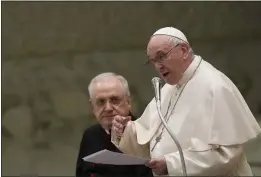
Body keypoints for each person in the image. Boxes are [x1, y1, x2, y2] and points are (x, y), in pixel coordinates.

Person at [111, 27, 261, 176]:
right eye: (153, 61)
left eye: (161, 56)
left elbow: (226, 155)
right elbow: (153, 137)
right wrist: (126, 131)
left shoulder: (215, 87)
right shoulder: (171, 86)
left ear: (183, 50)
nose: (158, 66)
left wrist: (170, 164)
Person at [76, 72, 153, 177]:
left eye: (115, 100)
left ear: (128, 102)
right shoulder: (90, 135)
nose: (108, 108)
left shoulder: (144, 133)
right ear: (92, 106)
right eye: (101, 102)